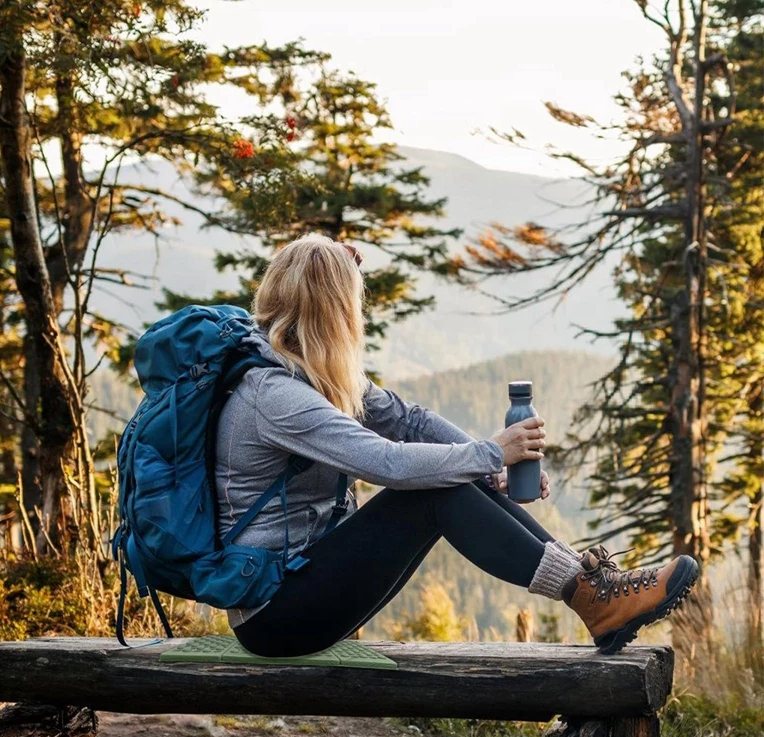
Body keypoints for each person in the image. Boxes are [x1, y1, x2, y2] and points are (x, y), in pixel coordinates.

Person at [215, 234, 699, 657]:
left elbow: (409, 420)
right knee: (435, 489)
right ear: (334, 311)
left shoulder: (313, 373)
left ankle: (594, 588)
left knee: (455, 473)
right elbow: (387, 463)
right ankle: (590, 596)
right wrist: (491, 453)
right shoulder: (274, 395)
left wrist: (492, 468)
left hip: (309, 581)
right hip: (274, 614)